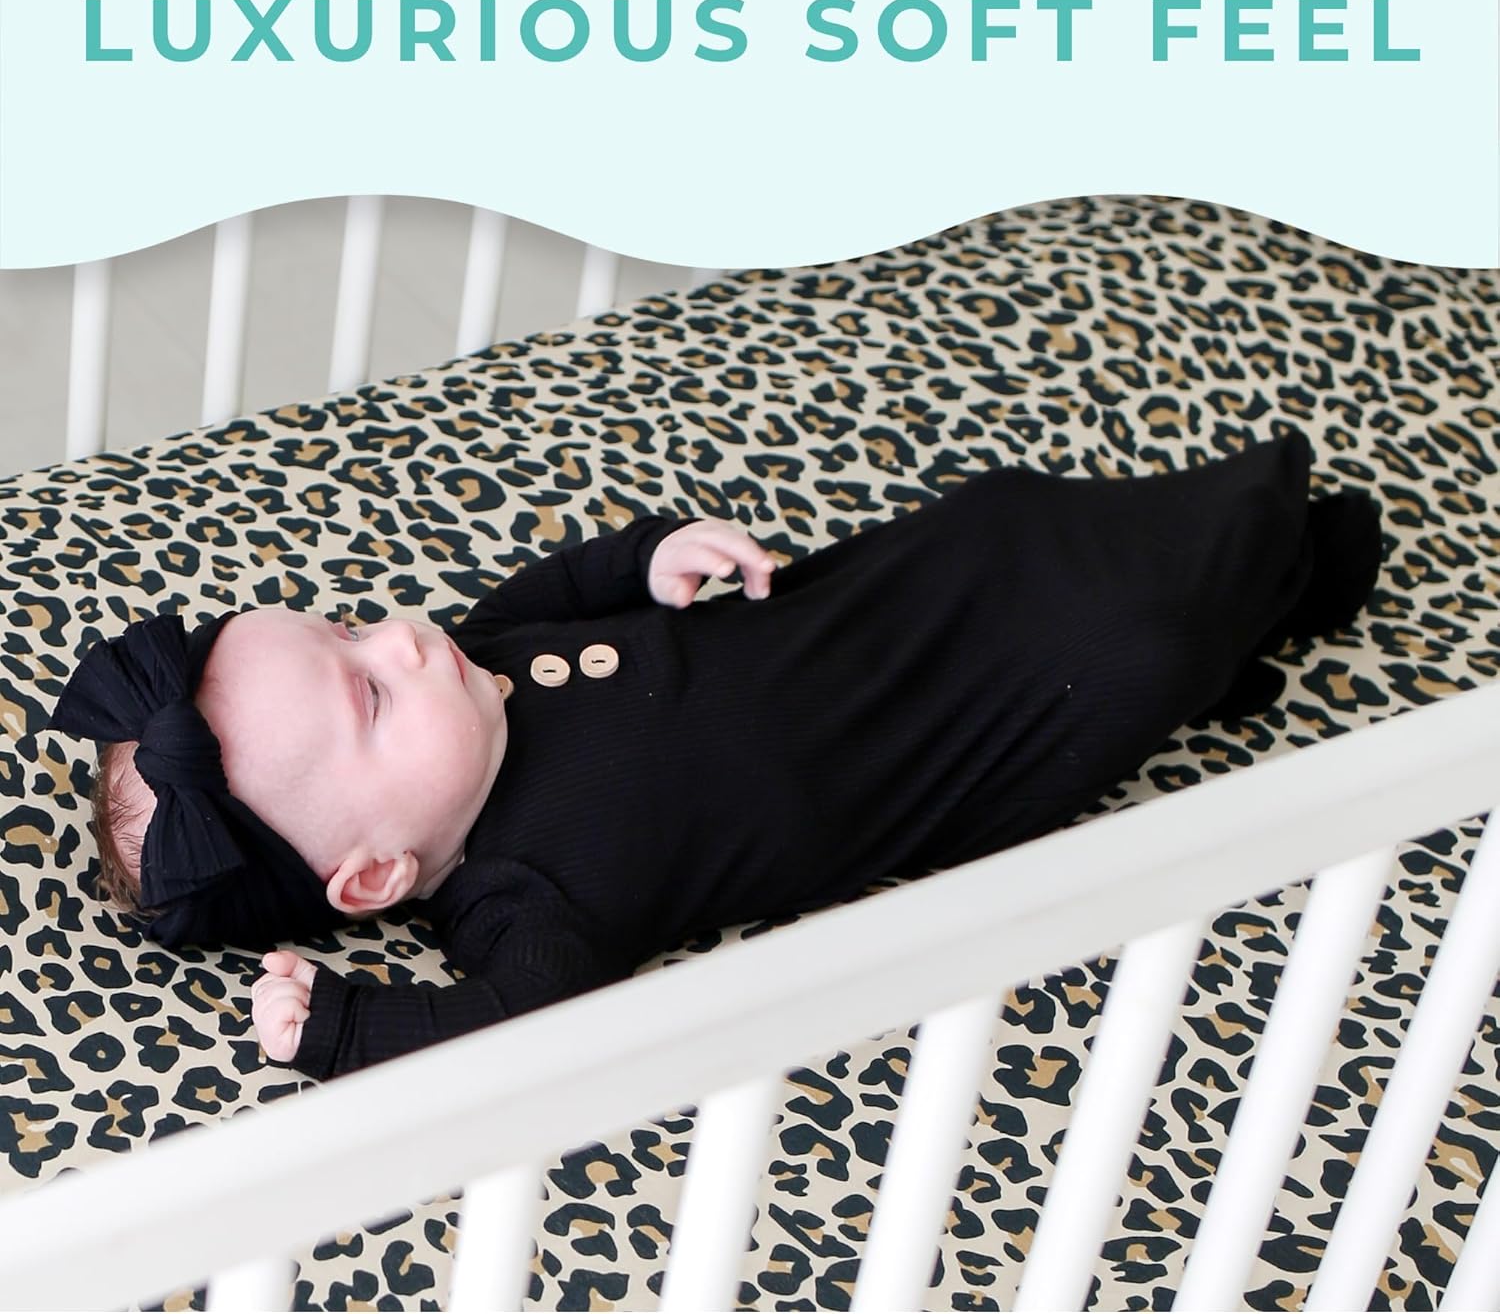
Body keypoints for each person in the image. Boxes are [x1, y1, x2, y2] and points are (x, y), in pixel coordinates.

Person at [48, 428, 1384, 1082]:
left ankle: (1241, 586)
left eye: (351, 630)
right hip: (940, 743)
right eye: (369, 694)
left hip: (861, 615)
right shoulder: (527, 898)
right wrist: (347, 1026)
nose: (401, 636)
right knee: (1133, 642)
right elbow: (524, 1029)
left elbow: (565, 584)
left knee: (1009, 519)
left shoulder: (475, 658)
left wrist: (650, 557)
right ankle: (1281, 571)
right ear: (376, 875)